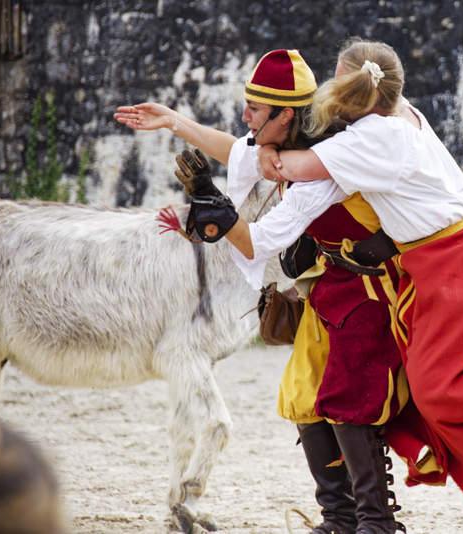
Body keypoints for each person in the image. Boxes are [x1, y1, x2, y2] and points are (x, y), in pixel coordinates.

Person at [250, 38, 463, 517]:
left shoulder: (372, 136)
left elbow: (291, 167)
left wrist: (266, 148)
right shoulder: (400, 114)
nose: (331, 91)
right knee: (434, 388)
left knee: (438, 390)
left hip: (458, 261)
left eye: (340, 82)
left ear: (364, 92)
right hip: (444, 261)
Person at [115, 49, 407, 534]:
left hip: (371, 291)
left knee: (347, 398)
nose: (245, 116)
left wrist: (219, 209)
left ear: (285, 115)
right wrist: (173, 121)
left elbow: (258, 241)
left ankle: (376, 524)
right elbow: (237, 149)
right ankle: (339, 519)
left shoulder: (325, 164)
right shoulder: (289, 141)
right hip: (333, 288)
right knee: (301, 394)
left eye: (254, 109)